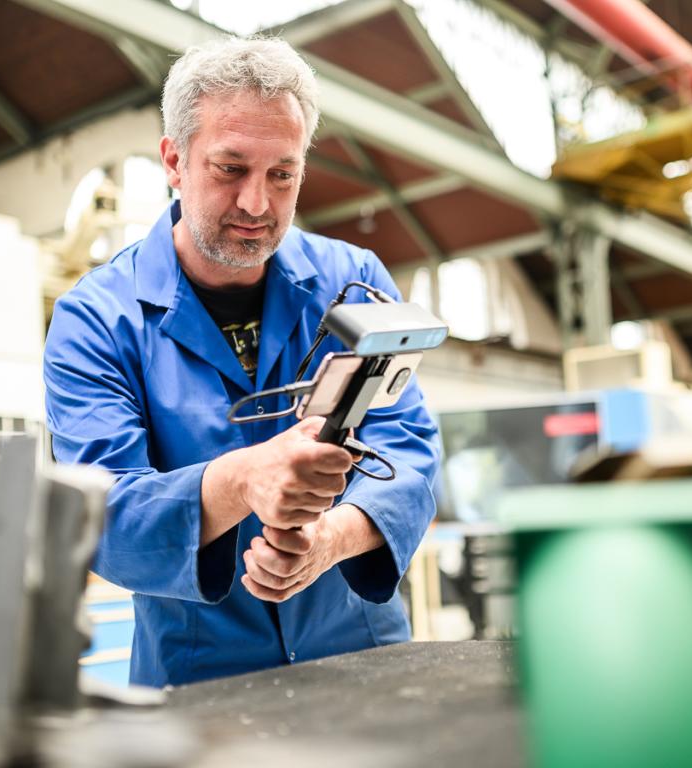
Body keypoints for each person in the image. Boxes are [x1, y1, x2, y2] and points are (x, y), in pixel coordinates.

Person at [44, 36, 440, 688]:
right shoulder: (96, 320)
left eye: (282, 174)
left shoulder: (355, 279)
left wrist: (333, 539)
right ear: (174, 160)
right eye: (230, 169)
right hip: (199, 679)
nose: (258, 204)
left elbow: (411, 451)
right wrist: (237, 483)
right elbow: (104, 518)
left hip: (361, 659)